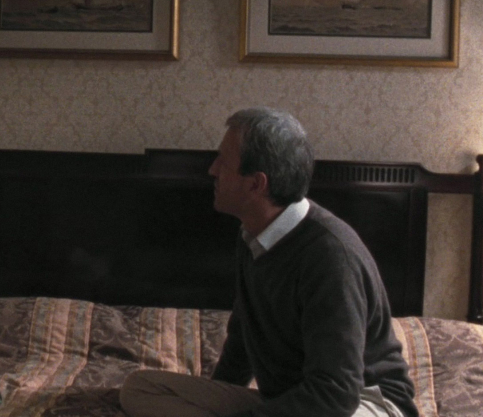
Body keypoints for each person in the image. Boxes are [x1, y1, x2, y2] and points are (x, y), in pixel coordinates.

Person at [119, 107, 418, 417]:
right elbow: (242, 341)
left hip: (360, 403)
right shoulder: (252, 236)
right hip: (293, 401)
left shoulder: (330, 256)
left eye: (223, 162)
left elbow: (336, 393)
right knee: (140, 389)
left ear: (256, 184)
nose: (212, 170)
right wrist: (214, 398)